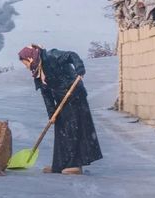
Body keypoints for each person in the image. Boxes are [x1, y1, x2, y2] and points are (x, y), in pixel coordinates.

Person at [18, 44, 102, 175]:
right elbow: (46, 95)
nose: (26, 66)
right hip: (61, 100)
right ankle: (59, 165)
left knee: (73, 130)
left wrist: (79, 68)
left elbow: (72, 55)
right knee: (61, 129)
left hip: (75, 95)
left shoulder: (51, 56)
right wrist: (52, 114)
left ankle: (75, 164)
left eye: (25, 63)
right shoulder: (37, 72)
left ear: (30, 58)